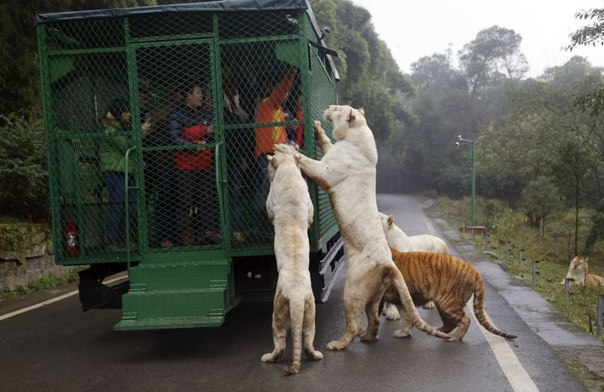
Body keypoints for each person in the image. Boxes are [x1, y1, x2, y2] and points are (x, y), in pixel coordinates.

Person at [167, 82, 221, 245]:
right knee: (185, 200)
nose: (201, 96)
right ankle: (184, 233)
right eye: (197, 93)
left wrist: (209, 133)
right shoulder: (177, 115)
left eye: (201, 93)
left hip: (204, 163)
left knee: (206, 198)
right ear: (188, 95)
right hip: (185, 165)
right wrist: (194, 143)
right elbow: (174, 138)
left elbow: (213, 135)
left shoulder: (206, 114)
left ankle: (209, 230)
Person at [100, 98, 151, 252]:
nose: (130, 115)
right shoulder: (110, 130)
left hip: (126, 172)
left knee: (130, 207)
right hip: (115, 172)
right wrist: (141, 131)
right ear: (120, 113)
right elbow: (127, 146)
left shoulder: (121, 128)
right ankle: (110, 242)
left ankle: (123, 240)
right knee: (116, 206)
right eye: (127, 111)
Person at [253, 68, 299, 230]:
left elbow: (279, 134)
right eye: (283, 93)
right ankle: (262, 222)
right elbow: (281, 91)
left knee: (273, 190)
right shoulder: (268, 103)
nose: (285, 96)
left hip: (275, 154)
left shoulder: (275, 109)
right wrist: (291, 73)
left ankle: (268, 223)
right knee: (268, 191)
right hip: (268, 156)